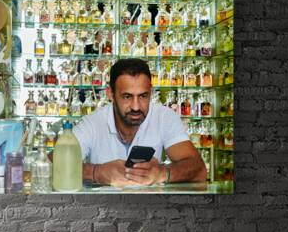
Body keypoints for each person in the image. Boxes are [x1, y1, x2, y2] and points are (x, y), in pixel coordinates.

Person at [73, 58, 207, 188]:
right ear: (111, 94)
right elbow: (53, 164)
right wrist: (97, 172)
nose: (136, 107)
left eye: (143, 96)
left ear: (151, 92)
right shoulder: (92, 123)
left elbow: (199, 170)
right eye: (127, 97)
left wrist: (162, 173)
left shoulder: (164, 117)